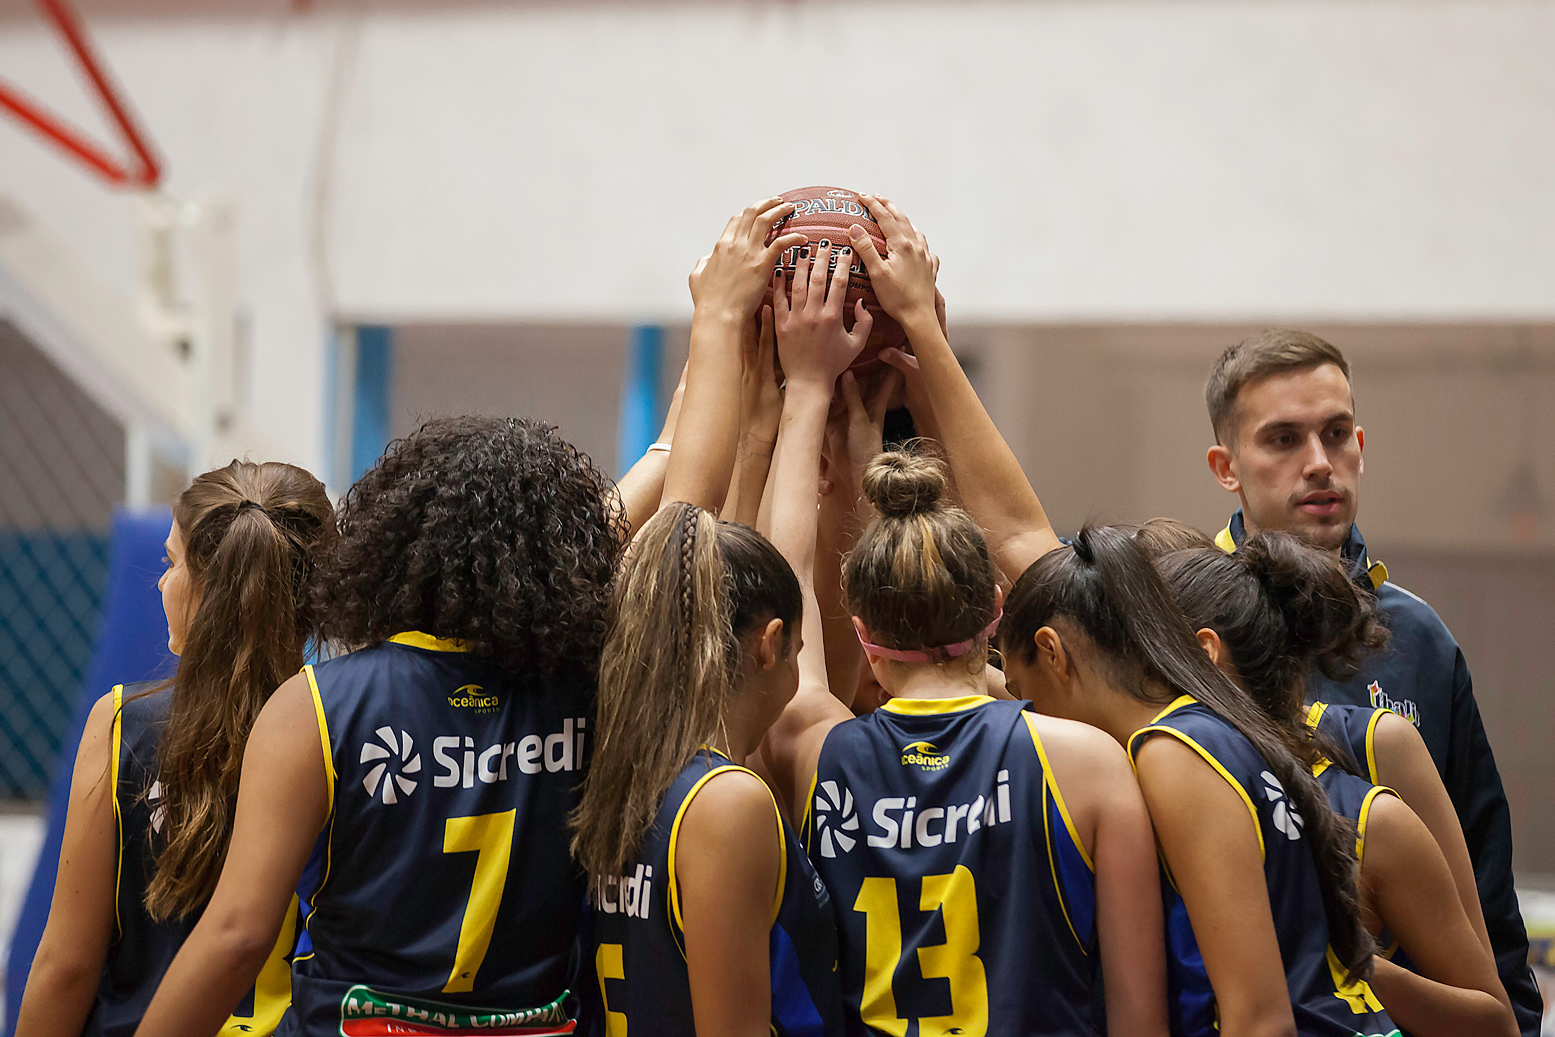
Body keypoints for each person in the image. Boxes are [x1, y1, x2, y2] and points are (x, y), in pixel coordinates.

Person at [856, 195, 1392, 1037]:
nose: (1016, 706)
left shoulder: (1176, 750)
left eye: (1018, 686)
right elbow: (1018, 532)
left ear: (1056, 652)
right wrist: (921, 341)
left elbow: (1261, 1021)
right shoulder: (1197, 724)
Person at [754, 235, 1168, 1036]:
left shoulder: (813, 746)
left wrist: (804, 390)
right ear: (996, 610)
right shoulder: (1088, 762)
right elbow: (1139, 1021)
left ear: (862, 633)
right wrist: (926, 345)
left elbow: (785, 577)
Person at [130, 417, 626, 1037]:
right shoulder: (587, 695)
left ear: (392, 539)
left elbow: (238, 936)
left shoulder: (320, 705)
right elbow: (657, 525)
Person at [1202, 329, 1541, 1034]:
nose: (1318, 463)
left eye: (1335, 434)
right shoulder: (1175, 624)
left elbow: (1484, 881)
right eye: (1283, 439)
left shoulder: (1419, 637)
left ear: (1359, 444)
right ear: (1225, 467)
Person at [569, 197, 844, 1037]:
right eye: (799, 642)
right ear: (769, 643)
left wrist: (744, 383)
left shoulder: (618, 774)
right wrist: (782, 380)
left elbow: (689, 548)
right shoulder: (725, 801)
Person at [17, 461, 333, 1037]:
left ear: (212, 588)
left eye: (172, 563)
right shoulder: (343, 732)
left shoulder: (122, 725)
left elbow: (66, 966)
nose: (163, 583)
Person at [1157, 533, 1518, 1037]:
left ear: (1205, 655)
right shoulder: (1149, 779)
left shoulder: (1369, 801)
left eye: (1148, 659)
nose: (1135, 680)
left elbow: (1495, 1020)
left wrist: (1342, 959)